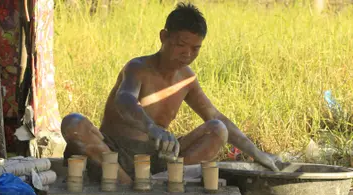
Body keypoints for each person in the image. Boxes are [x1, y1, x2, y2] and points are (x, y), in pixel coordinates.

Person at [61, 2, 280, 185]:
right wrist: (151, 127)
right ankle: (126, 185)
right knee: (73, 122)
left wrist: (256, 153)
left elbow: (215, 116)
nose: (187, 53)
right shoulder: (138, 67)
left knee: (217, 130)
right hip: (114, 154)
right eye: (181, 45)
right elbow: (124, 98)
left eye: (196, 48)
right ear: (163, 36)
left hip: (158, 160)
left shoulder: (187, 78)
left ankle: (162, 181)